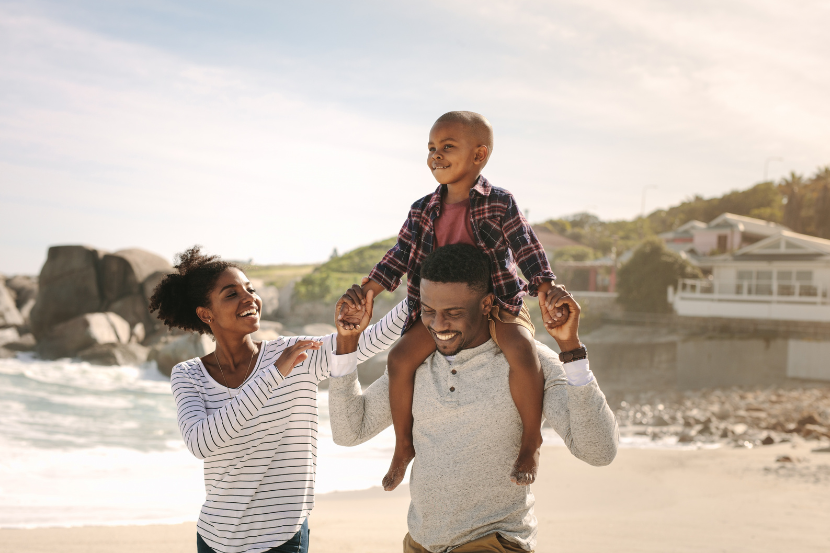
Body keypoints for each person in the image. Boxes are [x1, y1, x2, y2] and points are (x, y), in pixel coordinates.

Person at [330, 244, 617, 553]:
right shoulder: (416, 365)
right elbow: (350, 432)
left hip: (496, 541)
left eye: (453, 314)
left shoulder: (531, 365)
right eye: (429, 312)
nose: (438, 325)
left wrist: (571, 349)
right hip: (421, 543)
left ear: (486, 304)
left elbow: (598, 451)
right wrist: (347, 343)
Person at [338, 111, 567, 491]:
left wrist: (544, 286)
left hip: (497, 304)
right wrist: (371, 289)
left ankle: (530, 442)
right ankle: (402, 446)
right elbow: (399, 254)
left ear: (479, 155)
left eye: (447, 147)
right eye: (431, 148)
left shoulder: (498, 203)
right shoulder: (422, 208)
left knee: (523, 352)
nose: (436, 155)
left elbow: (526, 246)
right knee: (398, 359)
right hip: (441, 312)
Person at [148, 246, 408, 553]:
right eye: (231, 294)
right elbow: (202, 443)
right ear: (206, 314)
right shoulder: (189, 375)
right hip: (215, 539)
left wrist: (424, 292)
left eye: (251, 289)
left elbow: (366, 341)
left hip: (281, 538)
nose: (249, 299)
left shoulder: (294, 352)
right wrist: (274, 373)